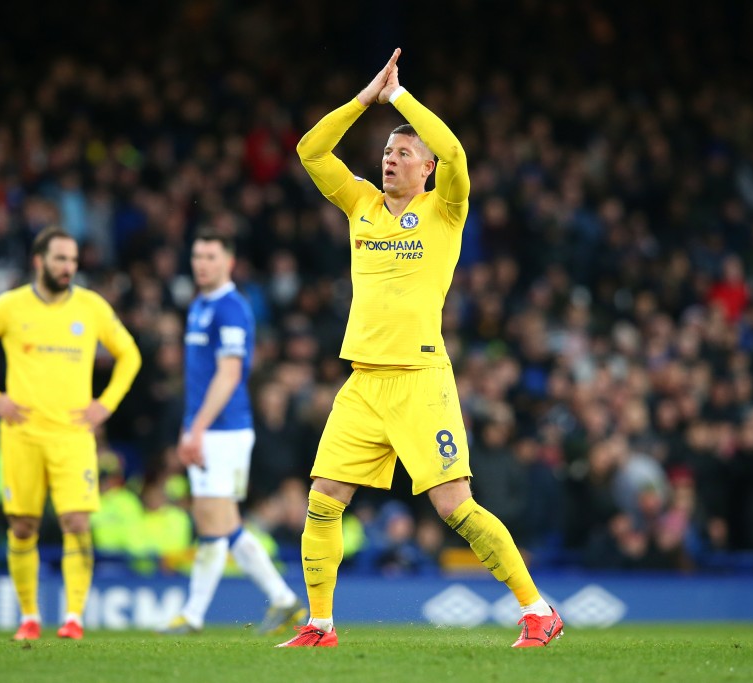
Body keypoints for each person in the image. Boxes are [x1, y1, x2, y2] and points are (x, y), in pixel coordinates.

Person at [277, 48, 563, 648]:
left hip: (419, 379)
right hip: (362, 382)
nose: (389, 159)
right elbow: (308, 151)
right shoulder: (360, 204)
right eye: (386, 151)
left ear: (426, 168)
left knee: (455, 506)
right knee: (323, 499)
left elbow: (457, 151)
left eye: (403, 152)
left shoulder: (446, 210)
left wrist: (400, 97)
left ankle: (538, 610)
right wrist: (364, 100)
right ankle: (320, 625)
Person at [0, 225, 141, 641]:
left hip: (73, 435)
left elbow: (130, 354)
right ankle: (29, 617)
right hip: (22, 434)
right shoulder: (10, 306)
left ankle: (73, 617)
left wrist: (105, 405)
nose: (68, 267)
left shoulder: (92, 307)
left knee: (76, 521)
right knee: (22, 525)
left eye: (73, 260)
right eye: (60, 259)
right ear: (39, 262)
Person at [159, 229, 305, 636]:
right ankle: (282, 599)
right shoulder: (199, 306)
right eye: (197, 256)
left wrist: (197, 429)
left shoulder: (231, 309)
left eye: (210, 256)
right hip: (211, 429)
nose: (201, 264)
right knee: (226, 524)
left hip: (223, 431)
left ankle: (192, 615)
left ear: (229, 263)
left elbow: (229, 374)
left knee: (211, 522)